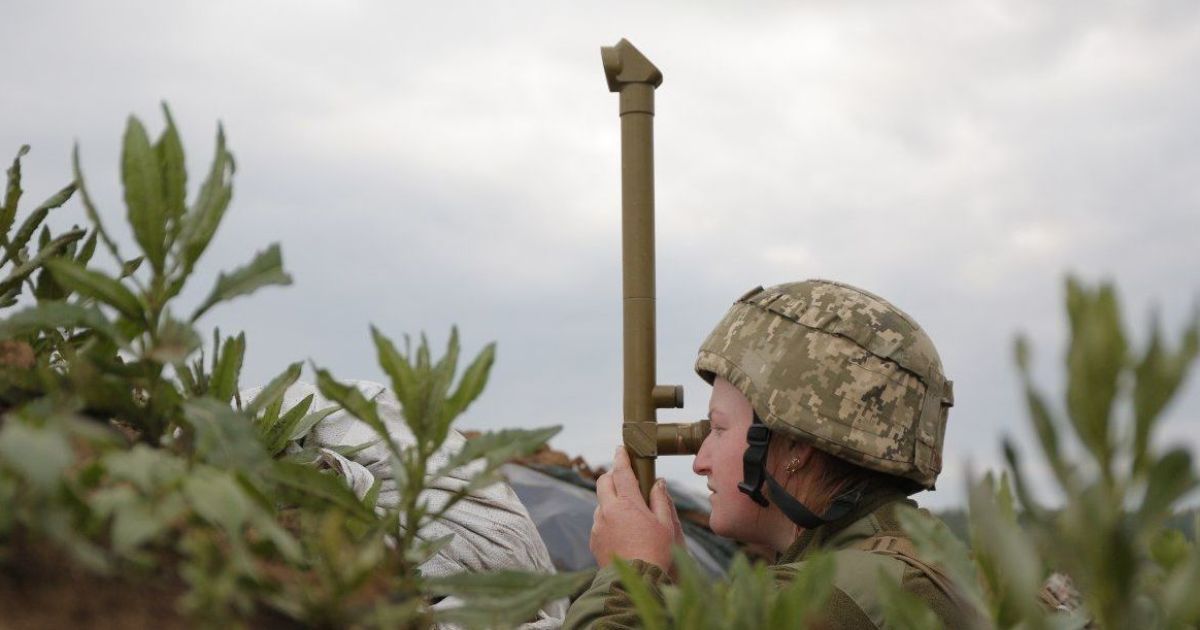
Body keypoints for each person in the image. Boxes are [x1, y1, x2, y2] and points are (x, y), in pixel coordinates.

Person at [563, 280, 977, 629]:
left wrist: (626, 574)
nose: (699, 460)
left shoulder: (843, 592)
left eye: (719, 429)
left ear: (794, 445)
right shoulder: (917, 565)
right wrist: (675, 590)